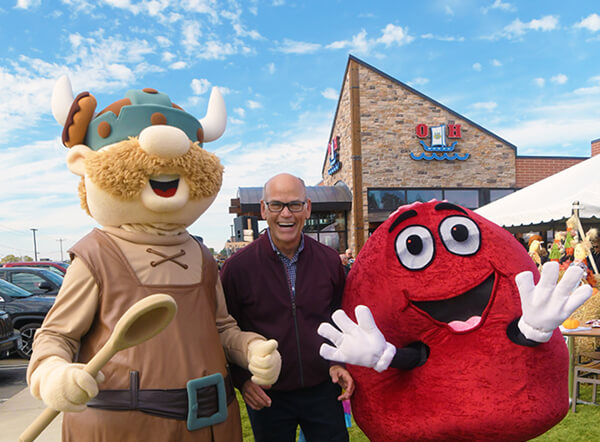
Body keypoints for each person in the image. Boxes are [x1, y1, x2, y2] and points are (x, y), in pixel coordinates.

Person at [221, 173, 354, 442]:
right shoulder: (238, 268)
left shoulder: (329, 261)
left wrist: (338, 361)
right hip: (267, 393)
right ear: (263, 209)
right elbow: (223, 330)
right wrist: (242, 379)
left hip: (322, 389)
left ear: (307, 208)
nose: (286, 214)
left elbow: (341, 317)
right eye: (276, 205)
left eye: (294, 205)